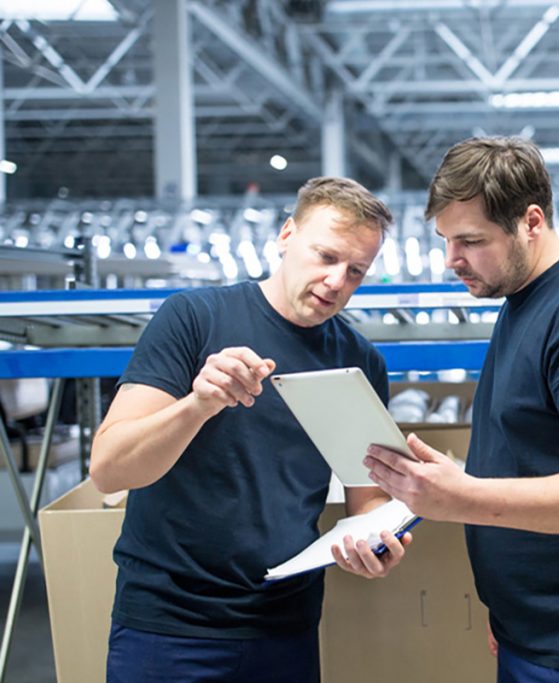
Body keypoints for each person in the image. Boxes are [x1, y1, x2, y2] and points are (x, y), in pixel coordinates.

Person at [364, 137, 559, 682]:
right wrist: (512, 606)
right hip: (539, 622)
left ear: (531, 221)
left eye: (470, 240)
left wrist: (459, 496)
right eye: (446, 240)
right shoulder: (524, 297)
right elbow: (536, 454)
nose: (451, 260)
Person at [90, 177, 410, 683]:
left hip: (283, 630)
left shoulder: (358, 361)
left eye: (355, 272)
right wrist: (198, 404)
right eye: (325, 256)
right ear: (287, 235)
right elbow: (109, 470)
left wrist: (374, 542)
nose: (335, 282)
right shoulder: (193, 319)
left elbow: (365, 498)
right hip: (171, 627)